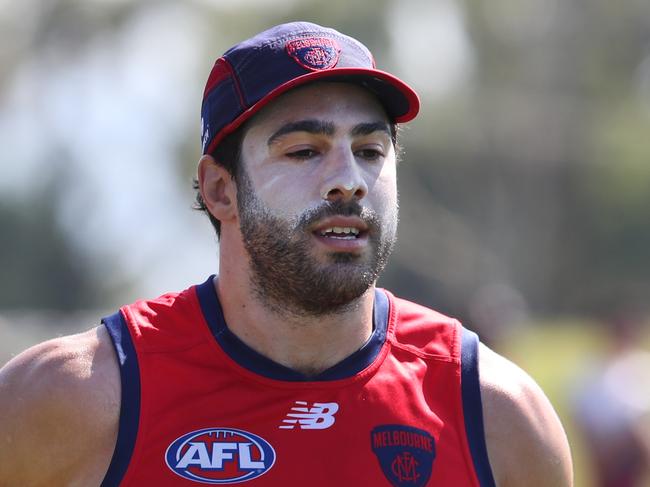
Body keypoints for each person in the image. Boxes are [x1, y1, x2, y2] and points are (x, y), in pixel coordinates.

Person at [0, 21, 572, 486]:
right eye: (304, 151)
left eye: (370, 150)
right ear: (220, 190)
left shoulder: (496, 415)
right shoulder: (73, 397)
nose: (347, 181)